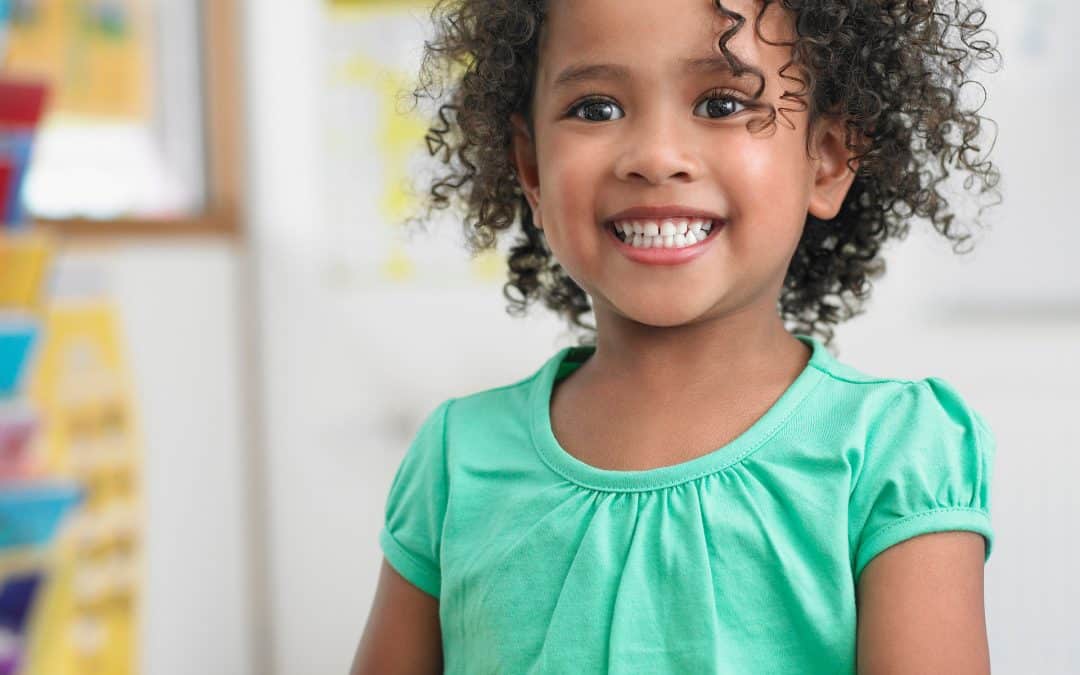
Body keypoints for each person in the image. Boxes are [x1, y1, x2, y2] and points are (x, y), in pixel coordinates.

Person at [352, 0, 1002, 672]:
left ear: (829, 159)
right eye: (596, 108)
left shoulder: (896, 454)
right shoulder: (458, 460)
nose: (656, 157)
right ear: (532, 168)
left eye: (721, 103)